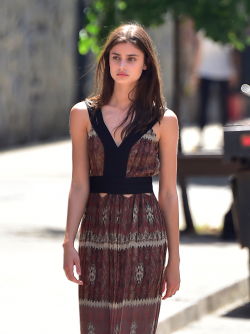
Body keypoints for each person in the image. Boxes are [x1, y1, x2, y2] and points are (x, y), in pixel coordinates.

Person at [62, 22, 180, 334]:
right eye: (116, 57)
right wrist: (68, 242)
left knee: (136, 326)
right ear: (106, 62)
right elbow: (78, 184)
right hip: (97, 229)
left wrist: (175, 262)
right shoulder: (82, 115)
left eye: (131, 58)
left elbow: (168, 193)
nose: (122, 65)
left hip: (145, 233)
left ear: (145, 66)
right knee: (96, 324)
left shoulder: (164, 121)